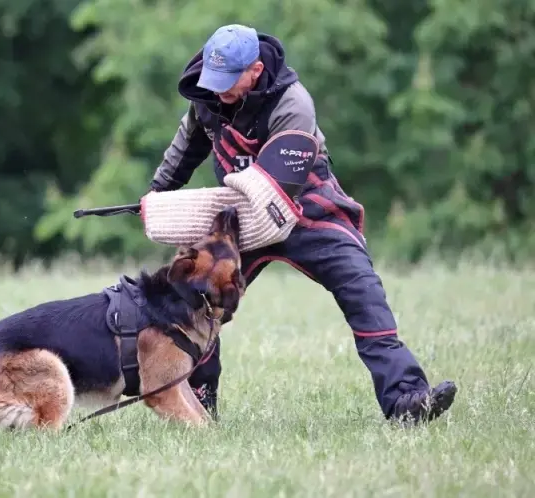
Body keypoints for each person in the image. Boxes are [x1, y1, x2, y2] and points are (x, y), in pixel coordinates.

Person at [150, 24, 457, 425]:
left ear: (256, 70)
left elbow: (275, 190)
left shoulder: (293, 103)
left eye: (227, 81)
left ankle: (406, 401)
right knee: (195, 299)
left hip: (304, 205)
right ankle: (196, 403)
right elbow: (186, 147)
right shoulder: (206, 94)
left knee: (363, 291)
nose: (216, 89)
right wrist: (156, 195)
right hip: (241, 214)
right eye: (213, 78)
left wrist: (212, 208)